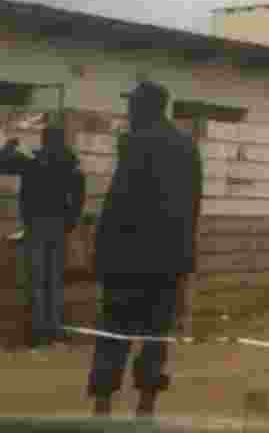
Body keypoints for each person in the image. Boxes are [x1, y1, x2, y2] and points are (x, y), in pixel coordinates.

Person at [87, 81, 203, 420]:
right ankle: (146, 406)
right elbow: (192, 207)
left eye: (132, 105)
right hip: (168, 263)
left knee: (112, 334)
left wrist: (100, 252)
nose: (128, 111)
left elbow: (119, 202)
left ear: (143, 107)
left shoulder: (134, 143)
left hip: (127, 261)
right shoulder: (186, 147)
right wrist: (185, 262)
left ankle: (103, 407)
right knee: (155, 335)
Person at [0, 121, 87, 349]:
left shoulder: (32, 161)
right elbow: (79, 193)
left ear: (44, 140)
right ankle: (54, 330)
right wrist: (70, 221)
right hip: (59, 225)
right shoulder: (70, 162)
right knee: (54, 280)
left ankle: (40, 333)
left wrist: (8, 147)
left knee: (38, 280)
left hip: (37, 225)